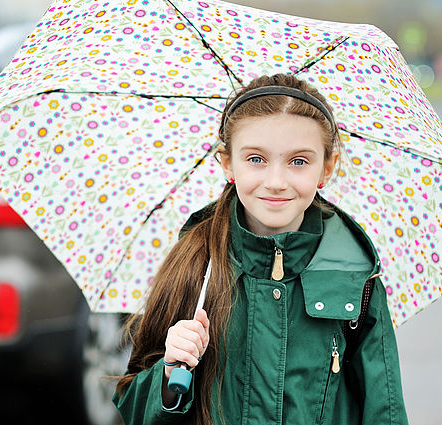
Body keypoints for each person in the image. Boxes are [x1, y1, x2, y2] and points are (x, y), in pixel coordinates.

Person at [112, 73, 408, 425]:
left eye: (299, 161)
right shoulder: (196, 261)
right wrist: (169, 375)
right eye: (256, 159)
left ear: (326, 168)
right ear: (227, 163)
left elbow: (384, 411)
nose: (276, 181)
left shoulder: (354, 275)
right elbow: (132, 404)